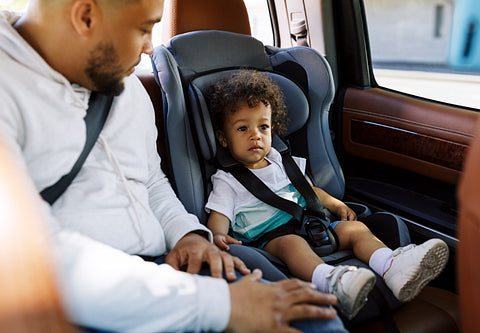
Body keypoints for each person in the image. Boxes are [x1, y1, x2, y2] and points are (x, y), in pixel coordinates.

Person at [0, 1, 347, 332]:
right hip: (70, 300)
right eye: (144, 28)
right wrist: (220, 305)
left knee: (315, 318)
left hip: (169, 264)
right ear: (85, 17)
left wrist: (187, 234)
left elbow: (150, 179)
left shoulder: (126, 86)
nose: (151, 47)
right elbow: (33, 256)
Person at [205, 69, 451, 319]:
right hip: (271, 240)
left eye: (263, 126)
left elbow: (309, 190)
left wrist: (335, 204)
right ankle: (333, 282)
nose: (255, 134)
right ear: (224, 139)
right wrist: (217, 236)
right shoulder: (227, 180)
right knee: (293, 244)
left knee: (354, 230)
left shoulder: (280, 160)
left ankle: (391, 266)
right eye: (243, 128)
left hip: (312, 224)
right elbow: (219, 215)